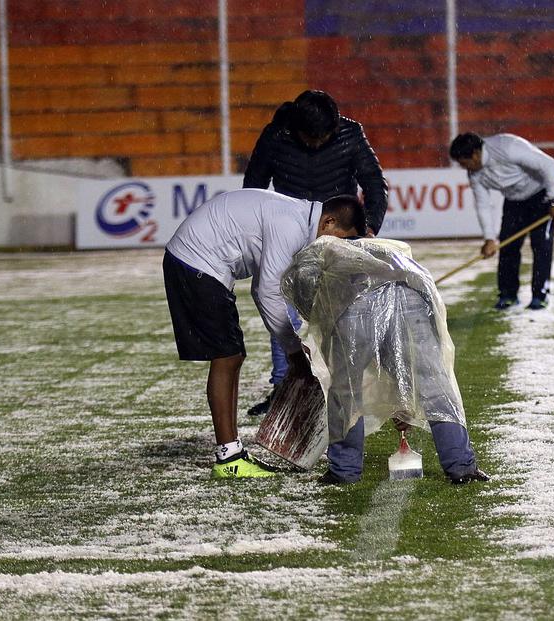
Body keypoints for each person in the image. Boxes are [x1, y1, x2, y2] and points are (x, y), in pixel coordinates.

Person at [280, 197, 489, 485]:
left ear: (330, 224)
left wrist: (315, 315)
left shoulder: (324, 247)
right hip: (410, 303)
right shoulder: (390, 247)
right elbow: (424, 287)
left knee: (346, 393)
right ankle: (461, 466)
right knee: (434, 386)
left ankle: (344, 470)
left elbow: (297, 281)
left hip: (353, 310)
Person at [163, 189, 364, 479]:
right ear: (328, 222)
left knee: (232, 356)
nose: (338, 248)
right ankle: (229, 458)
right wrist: (294, 352)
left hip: (198, 262)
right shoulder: (291, 224)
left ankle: (231, 452)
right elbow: (267, 292)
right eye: (341, 239)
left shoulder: (297, 218)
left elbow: (268, 286)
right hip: (196, 263)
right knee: (227, 357)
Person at [243, 90, 389, 417]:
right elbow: (252, 187)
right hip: (291, 235)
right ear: (296, 129)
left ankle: (346, 388)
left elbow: (374, 183)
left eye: (325, 137)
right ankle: (284, 389)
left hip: (339, 236)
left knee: (344, 313)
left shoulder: (350, 133)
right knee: (284, 313)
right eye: (311, 138)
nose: (318, 143)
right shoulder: (276, 135)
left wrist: (368, 228)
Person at [449, 132, 554, 310]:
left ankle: (540, 295)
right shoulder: (475, 174)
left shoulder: (508, 148)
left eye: (465, 164)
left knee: (541, 247)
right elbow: (483, 205)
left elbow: (548, 164)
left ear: (475, 154)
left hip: (541, 197)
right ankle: (508, 295)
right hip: (513, 202)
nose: (466, 169)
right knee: (507, 248)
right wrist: (489, 239)